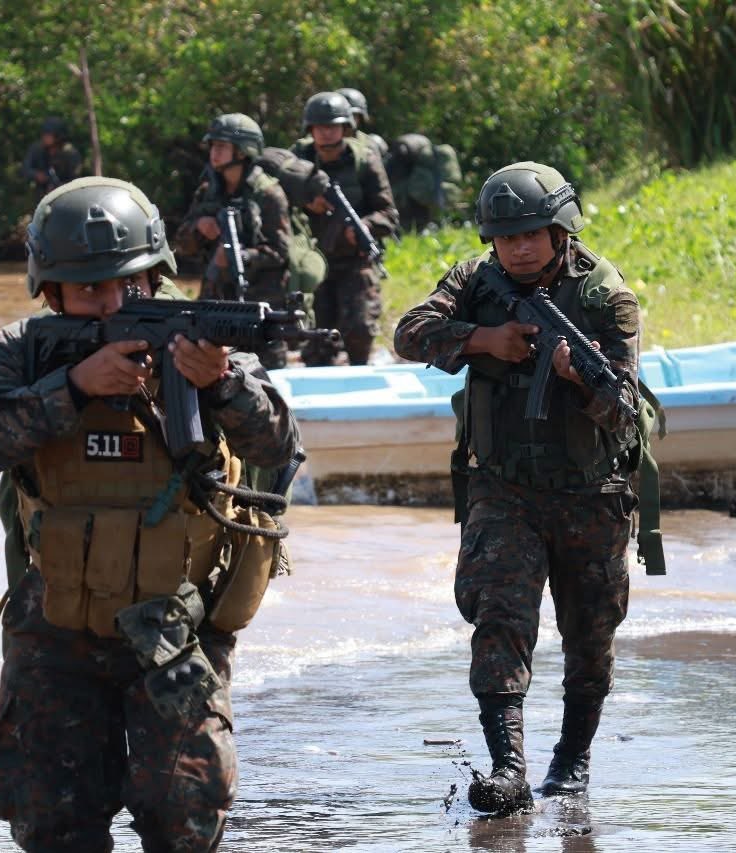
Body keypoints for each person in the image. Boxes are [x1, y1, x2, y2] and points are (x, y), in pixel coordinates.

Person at [0, 177, 300, 851]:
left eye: (131, 285)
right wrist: (74, 388)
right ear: (50, 291)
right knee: (52, 819)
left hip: (175, 621)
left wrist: (219, 383)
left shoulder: (199, 340)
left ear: (156, 276)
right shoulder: (21, 352)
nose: (114, 303)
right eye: (91, 290)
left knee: (184, 816)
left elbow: (278, 445)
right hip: (57, 624)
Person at [393, 162, 643, 816]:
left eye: (532, 234)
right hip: (503, 488)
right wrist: (484, 340)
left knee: (591, 633)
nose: (520, 248)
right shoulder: (475, 280)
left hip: (591, 492)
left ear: (560, 232)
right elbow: (409, 333)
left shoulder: (604, 296)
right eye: (507, 237)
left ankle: (573, 759)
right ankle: (509, 768)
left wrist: (579, 378)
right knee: (499, 617)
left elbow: (625, 412)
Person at [174, 113, 293, 369]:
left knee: (268, 375)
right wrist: (198, 229)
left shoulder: (268, 194)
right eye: (213, 146)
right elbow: (182, 246)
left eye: (222, 146)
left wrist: (240, 257)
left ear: (242, 151)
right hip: (216, 300)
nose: (214, 153)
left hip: (260, 301)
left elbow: (280, 251)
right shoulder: (207, 191)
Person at [292, 91, 398, 366]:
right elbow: (273, 196)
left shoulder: (364, 160)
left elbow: (389, 214)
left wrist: (365, 226)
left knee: (359, 332)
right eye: (320, 127)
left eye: (333, 126)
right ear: (310, 129)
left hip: (354, 261)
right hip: (312, 260)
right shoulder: (297, 159)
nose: (326, 132)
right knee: (316, 341)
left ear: (346, 127)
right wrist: (306, 202)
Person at [20, 116, 83, 197]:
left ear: (58, 136)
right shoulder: (37, 149)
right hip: (42, 194)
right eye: (44, 134)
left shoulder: (70, 153)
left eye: (48, 135)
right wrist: (37, 175)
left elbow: (75, 180)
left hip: (65, 194)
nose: (45, 137)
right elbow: (25, 168)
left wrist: (60, 187)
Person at [336, 86, 389, 161]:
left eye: (353, 115)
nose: (349, 120)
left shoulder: (371, 144)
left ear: (360, 118)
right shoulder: (321, 146)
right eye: (343, 116)